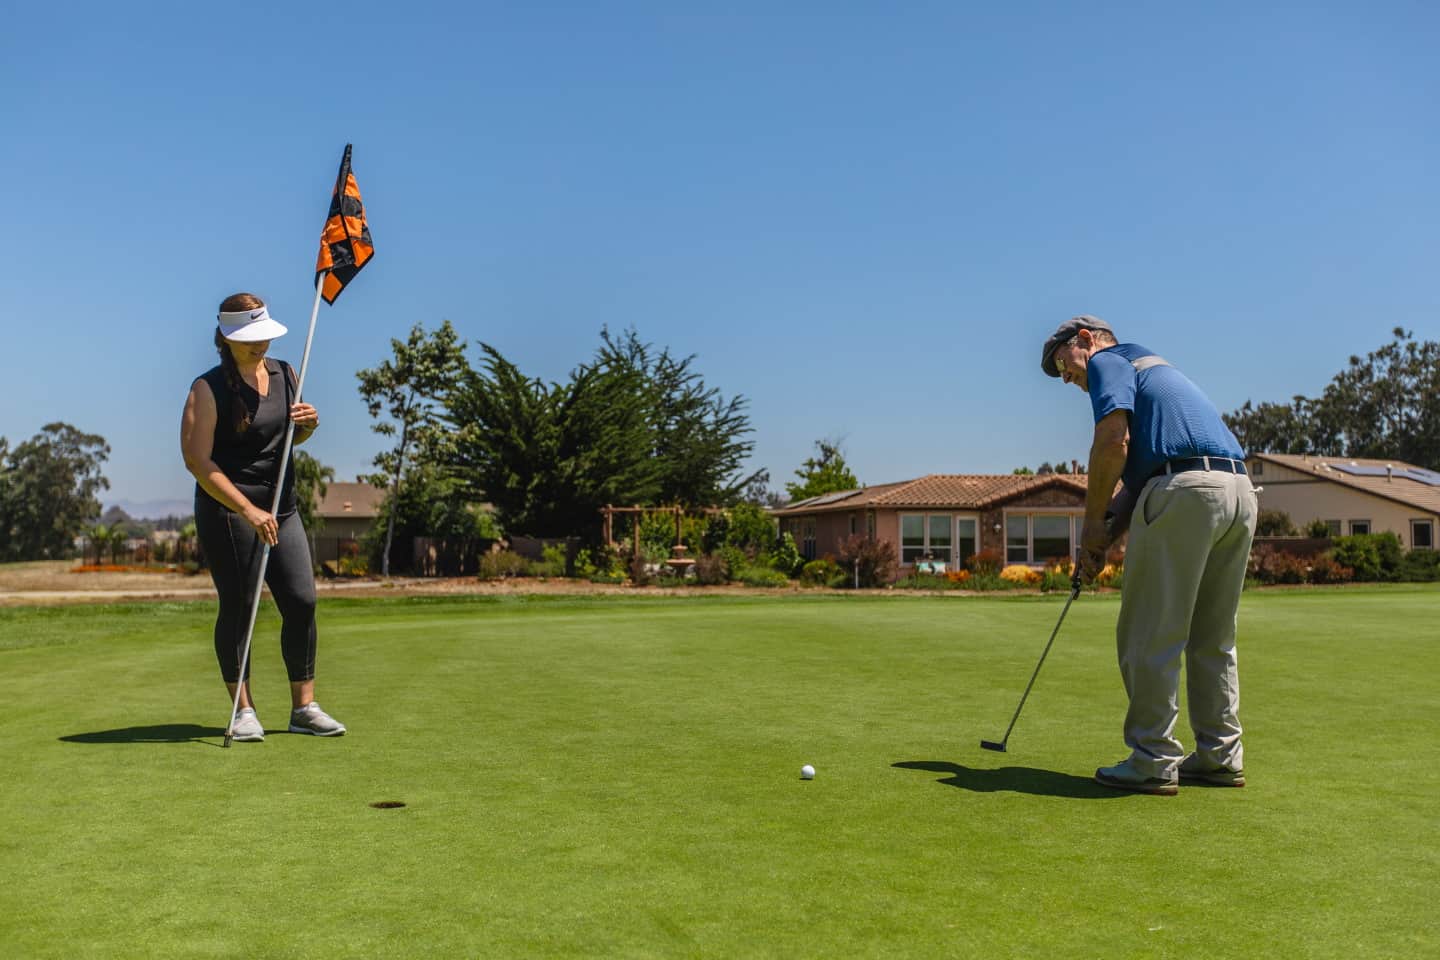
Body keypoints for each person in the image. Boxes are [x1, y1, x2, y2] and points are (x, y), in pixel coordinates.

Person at [1042, 315, 1255, 795]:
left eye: (1065, 365)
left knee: (1148, 632)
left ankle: (1153, 758)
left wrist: (1091, 525)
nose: (1070, 379)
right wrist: (1100, 545)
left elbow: (1112, 442)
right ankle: (1221, 756)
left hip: (1184, 490)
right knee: (1212, 637)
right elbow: (1136, 484)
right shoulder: (1154, 370)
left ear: (1085, 341)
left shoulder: (1108, 361)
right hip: (1238, 490)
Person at [180, 293, 345, 742]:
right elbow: (197, 461)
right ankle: (244, 711)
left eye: (264, 337)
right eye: (250, 340)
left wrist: (308, 423)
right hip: (229, 510)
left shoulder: (286, 373)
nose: (261, 346)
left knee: (302, 602)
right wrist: (247, 510)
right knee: (239, 606)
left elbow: (290, 439)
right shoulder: (207, 388)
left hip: (282, 509)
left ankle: (304, 708)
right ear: (227, 339)